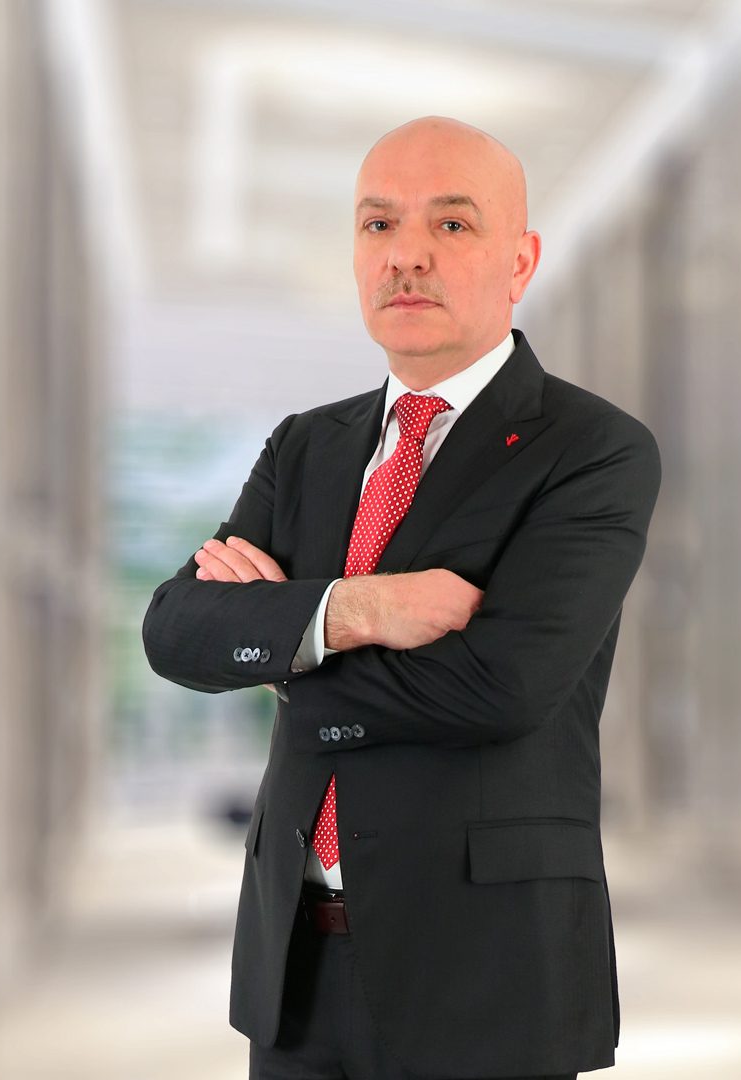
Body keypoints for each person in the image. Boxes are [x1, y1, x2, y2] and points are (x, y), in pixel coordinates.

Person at [141, 115, 661, 1080]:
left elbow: (502, 687)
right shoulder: (306, 447)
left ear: (521, 259)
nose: (407, 255)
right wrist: (352, 611)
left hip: (485, 972)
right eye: (378, 226)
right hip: (295, 970)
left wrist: (283, 647)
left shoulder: (591, 452)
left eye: (451, 226)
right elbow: (175, 632)